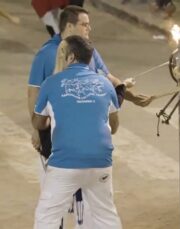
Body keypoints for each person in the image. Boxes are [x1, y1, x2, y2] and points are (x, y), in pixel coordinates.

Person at [27, 5, 152, 228]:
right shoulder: (47, 54)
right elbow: (33, 91)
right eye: (84, 25)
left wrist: (132, 96)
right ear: (69, 26)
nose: (89, 29)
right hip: (62, 144)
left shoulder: (88, 51)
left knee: (60, 210)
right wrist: (36, 132)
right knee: (91, 210)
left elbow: (109, 79)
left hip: (67, 155)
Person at [32, 35, 122, 229]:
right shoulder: (106, 84)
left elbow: (38, 123)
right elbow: (113, 127)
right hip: (101, 162)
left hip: (66, 163)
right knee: (106, 215)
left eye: (62, 54)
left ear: (71, 57)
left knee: (47, 216)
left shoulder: (51, 83)